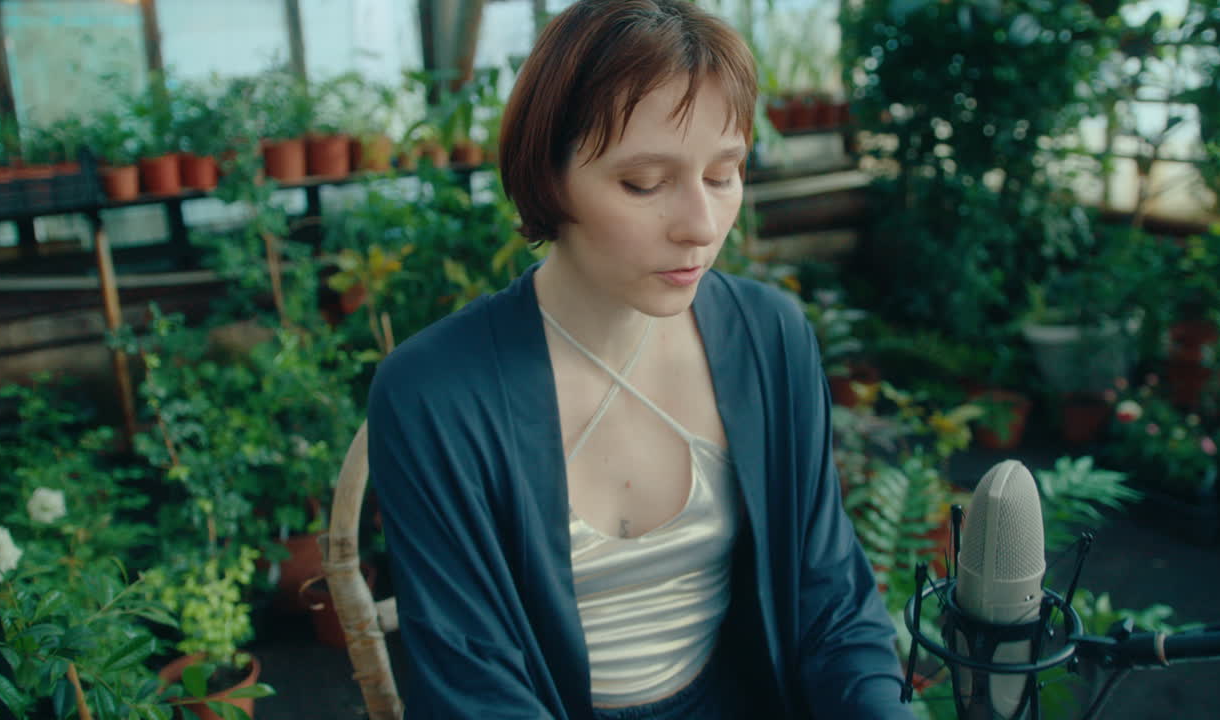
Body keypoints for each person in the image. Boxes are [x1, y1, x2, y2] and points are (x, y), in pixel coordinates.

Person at [367, 1, 916, 718]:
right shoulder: (435, 394)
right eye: (644, 184)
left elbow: (831, 601)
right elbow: (475, 686)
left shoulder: (769, 336)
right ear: (549, 175)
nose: (701, 226)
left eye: (724, 175)